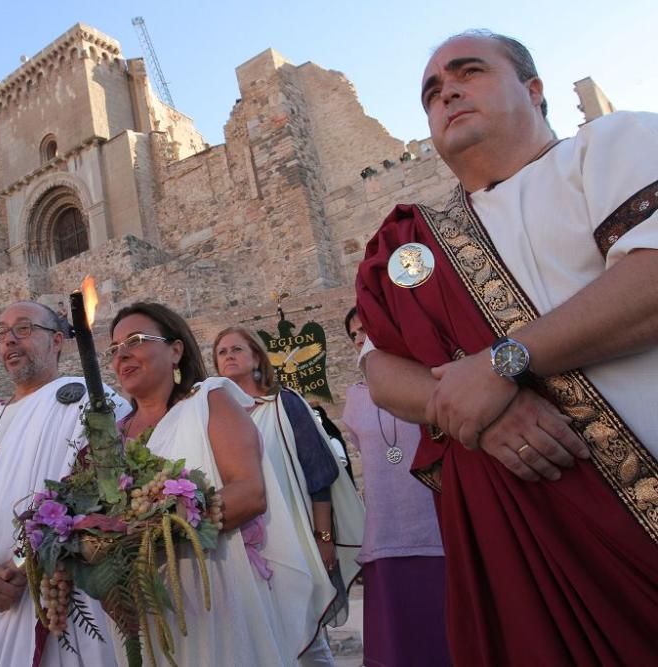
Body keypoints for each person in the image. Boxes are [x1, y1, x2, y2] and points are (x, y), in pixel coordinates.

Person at [356, 30, 658, 665]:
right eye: (432, 91)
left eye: (469, 72)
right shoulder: (410, 247)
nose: (447, 92)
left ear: (534, 89)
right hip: (521, 551)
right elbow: (380, 369)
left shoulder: (610, 146)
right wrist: (475, 411)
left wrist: (502, 365)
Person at [107, 302, 307, 666]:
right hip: (143, 606)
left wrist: (158, 531)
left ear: (176, 350)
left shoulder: (209, 400)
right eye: (115, 348)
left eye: (135, 340)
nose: (123, 354)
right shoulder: (113, 437)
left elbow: (249, 492)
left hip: (215, 590)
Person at [0, 300, 129, 667]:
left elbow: (111, 498)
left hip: (70, 597)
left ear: (57, 340)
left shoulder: (92, 401)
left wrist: (23, 561)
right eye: (2, 333)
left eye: (24, 329)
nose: (10, 340)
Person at [213, 325, 365, 666]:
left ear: (256, 358)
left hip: (295, 539)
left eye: (237, 349)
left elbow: (318, 473)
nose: (229, 356)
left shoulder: (284, 404)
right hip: (245, 547)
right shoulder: (215, 421)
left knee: (306, 637)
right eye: (222, 352)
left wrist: (324, 538)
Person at [340, 308, 450, 667]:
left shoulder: (429, 377)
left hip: (439, 524)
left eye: (364, 329)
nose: (359, 338)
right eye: (353, 333)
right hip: (387, 529)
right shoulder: (354, 398)